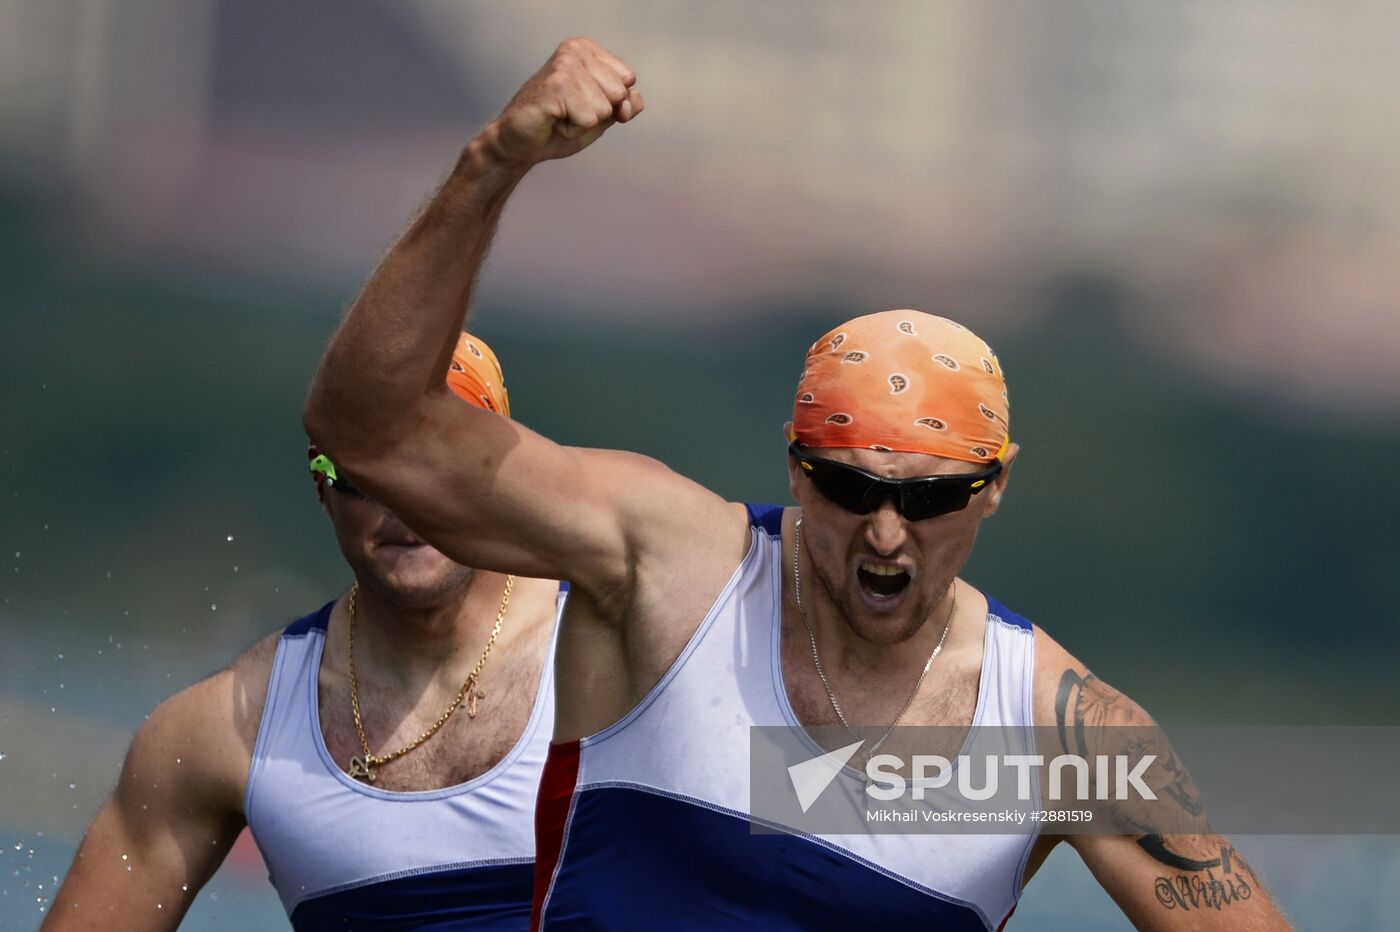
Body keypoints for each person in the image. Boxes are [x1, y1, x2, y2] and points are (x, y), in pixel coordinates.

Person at [302, 38, 1291, 930]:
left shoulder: (1054, 732)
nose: (885, 534)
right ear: (791, 464)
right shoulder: (666, 570)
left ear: (993, 488)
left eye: (930, 496)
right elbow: (367, 429)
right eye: (848, 488)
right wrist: (493, 162)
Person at [46, 334, 566, 931]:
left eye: (438, 460)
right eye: (368, 474)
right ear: (323, 487)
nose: (405, 502)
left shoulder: (619, 654)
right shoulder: (226, 730)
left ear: (496, 473)